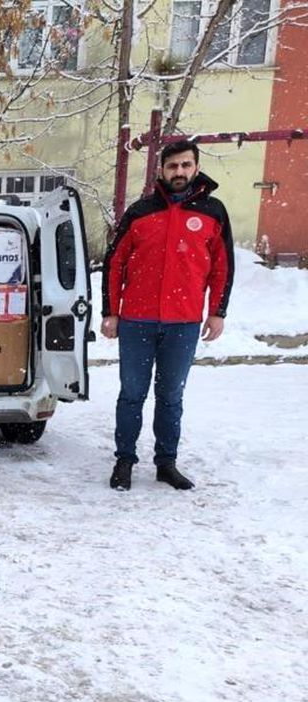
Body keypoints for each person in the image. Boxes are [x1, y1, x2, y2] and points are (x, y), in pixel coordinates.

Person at [102, 139, 234, 491]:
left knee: (171, 396)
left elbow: (222, 267)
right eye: (173, 166)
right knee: (131, 394)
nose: (179, 172)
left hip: (184, 322)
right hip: (137, 321)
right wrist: (111, 312)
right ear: (161, 169)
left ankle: (166, 462)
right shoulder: (140, 211)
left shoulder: (213, 212)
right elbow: (114, 265)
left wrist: (217, 312)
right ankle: (124, 460)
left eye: (185, 165)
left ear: (195, 167)